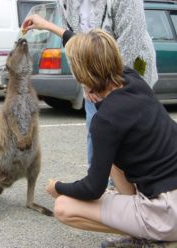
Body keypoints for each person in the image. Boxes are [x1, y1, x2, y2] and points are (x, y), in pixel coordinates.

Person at [43, 29, 176, 246]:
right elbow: (95, 58)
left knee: (64, 207)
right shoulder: (133, 79)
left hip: (168, 212)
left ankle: (152, 237)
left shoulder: (105, 121)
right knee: (114, 161)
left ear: (81, 73)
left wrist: (57, 187)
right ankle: (143, 232)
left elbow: (92, 188)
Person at [22, 0, 158, 169]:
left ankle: (128, 188)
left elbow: (129, 47)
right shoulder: (67, 3)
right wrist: (86, 84)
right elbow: (74, 45)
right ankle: (98, 183)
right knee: (96, 133)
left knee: (129, 139)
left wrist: (104, 88)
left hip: (127, 77)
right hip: (93, 82)